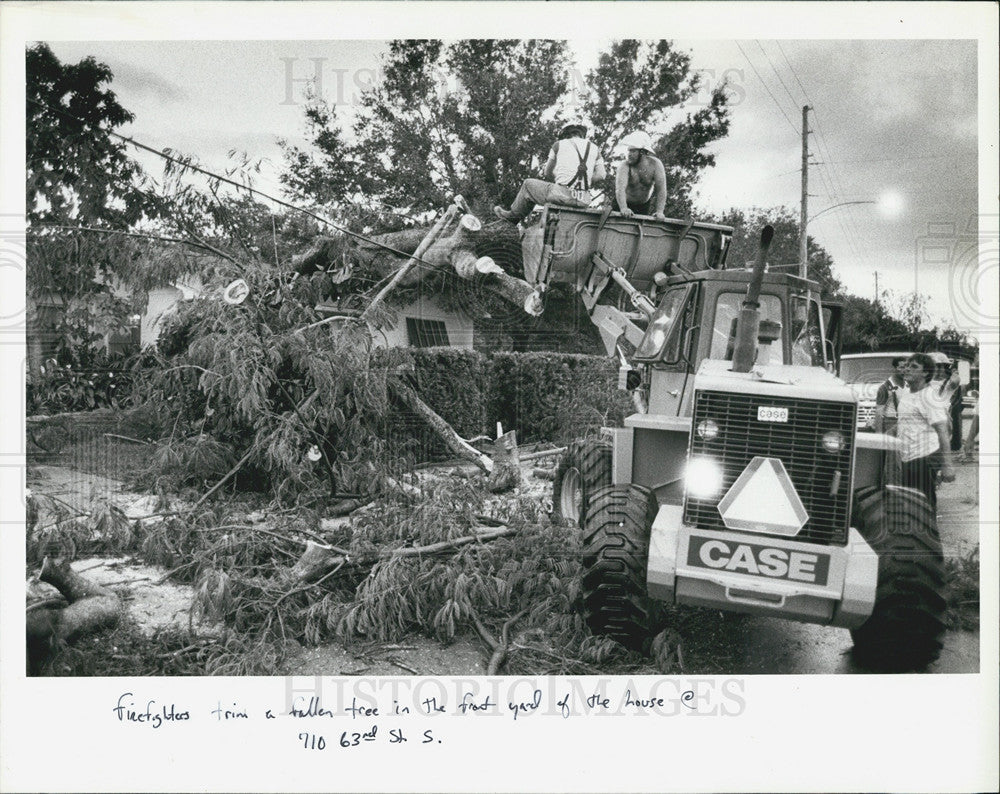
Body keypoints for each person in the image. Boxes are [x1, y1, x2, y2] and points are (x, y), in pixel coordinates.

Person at [493, 123, 606, 224]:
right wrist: (583, 182)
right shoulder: (595, 149)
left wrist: (560, 180)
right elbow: (601, 175)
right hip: (583, 200)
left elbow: (547, 173)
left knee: (528, 185)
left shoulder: (559, 144)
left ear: (566, 136)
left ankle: (512, 218)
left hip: (561, 195)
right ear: (582, 136)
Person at [896, 353, 956, 510]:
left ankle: (930, 533)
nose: (907, 369)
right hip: (908, 457)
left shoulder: (929, 397)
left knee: (923, 504)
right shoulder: (906, 393)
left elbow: (943, 431)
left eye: (914, 366)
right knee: (910, 504)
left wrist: (947, 465)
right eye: (907, 365)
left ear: (926, 373)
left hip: (925, 456)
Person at [613, 131, 667, 219]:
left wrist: (660, 211)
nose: (629, 154)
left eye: (633, 151)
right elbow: (620, 189)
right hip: (621, 204)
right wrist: (623, 208)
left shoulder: (656, 164)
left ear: (642, 152)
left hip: (643, 206)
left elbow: (661, 190)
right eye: (629, 151)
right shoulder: (625, 165)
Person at [871, 356, 907, 434]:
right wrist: (879, 435)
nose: (904, 371)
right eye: (901, 367)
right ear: (894, 369)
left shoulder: (908, 385)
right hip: (890, 424)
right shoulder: (884, 388)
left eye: (906, 367)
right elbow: (879, 413)